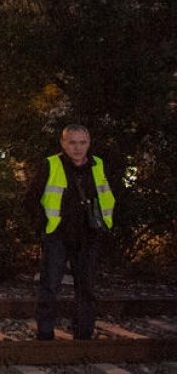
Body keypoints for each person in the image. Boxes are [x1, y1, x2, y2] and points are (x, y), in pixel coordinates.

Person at [35, 124, 115, 340]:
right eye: (72, 142)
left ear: (88, 143)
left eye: (82, 143)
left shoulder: (98, 165)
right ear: (63, 143)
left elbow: (109, 195)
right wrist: (43, 226)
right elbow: (32, 199)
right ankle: (45, 333)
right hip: (58, 234)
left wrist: (106, 225)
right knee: (50, 285)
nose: (77, 148)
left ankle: (84, 333)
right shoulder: (51, 165)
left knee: (86, 287)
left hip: (88, 234)